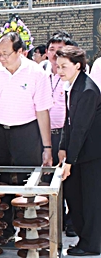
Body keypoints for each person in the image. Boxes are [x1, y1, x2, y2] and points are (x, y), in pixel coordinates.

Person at [0, 32, 53, 241]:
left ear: (20, 51)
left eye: (5, 54)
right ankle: (6, 229)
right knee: (1, 182)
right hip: (0, 133)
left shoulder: (36, 73)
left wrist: (47, 147)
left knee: (29, 182)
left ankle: (31, 230)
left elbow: (42, 111)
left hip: (27, 132)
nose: (1, 58)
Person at [56, 45, 101, 256]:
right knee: (75, 197)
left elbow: (81, 128)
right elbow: (68, 122)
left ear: (78, 65)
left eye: (64, 66)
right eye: (58, 66)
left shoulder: (87, 90)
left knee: (90, 201)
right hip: (78, 153)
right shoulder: (72, 86)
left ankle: (91, 244)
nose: (59, 71)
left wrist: (69, 162)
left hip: (92, 155)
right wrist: (63, 149)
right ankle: (85, 240)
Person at [42, 31, 77, 237]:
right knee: (47, 179)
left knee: (69, 180)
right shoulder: (41, 73)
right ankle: (54, 218)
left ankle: (72, 221)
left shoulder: (72, 75)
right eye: (52, 50)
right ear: (46, 53)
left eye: (60, 50)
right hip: (47, 136)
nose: (55, 55)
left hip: (67, 135)